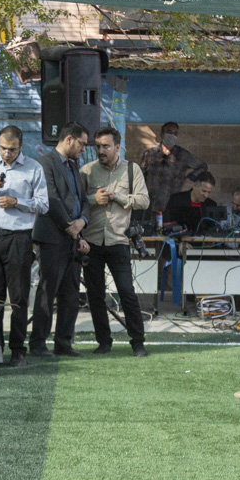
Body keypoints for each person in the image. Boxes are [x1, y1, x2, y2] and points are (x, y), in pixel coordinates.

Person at [0, 125, 48, 366]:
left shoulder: (33, 168)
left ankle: (17, 350)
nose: (7, 153)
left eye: (12, 149)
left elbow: (43, 204)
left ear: (20, 147)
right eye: (3, 148)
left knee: (18, 297)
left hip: (18, 238)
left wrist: (18, 202)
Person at [81, 126, 150, 357]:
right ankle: (104, 342)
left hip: (119, 240)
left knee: (127, 292)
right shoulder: (87, 171)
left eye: (106, 146)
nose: (101, 150)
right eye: (98, 146)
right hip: (92, 242)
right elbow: (76, 202)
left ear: (117, 147)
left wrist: (118, 196)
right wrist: (94, 198)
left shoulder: (132, 169)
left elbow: (144, 201)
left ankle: (138, 342)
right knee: (95, 295)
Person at [30, 123, 90, 358]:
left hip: (73, 238)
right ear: (69, 139)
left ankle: (63, 343)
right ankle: (38, 344)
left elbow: (83, 200)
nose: (83, 149)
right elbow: (51, 200)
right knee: (48, 292)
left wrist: (82, 222)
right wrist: (72, 229)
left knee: (71, 294)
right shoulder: (45, 164)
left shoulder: (74, 167)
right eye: (82, 144)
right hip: (52, 239)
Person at [140, 122, 207, 218]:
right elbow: (140, 175)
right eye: (169, 132)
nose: (172, 135)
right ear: (162, 134)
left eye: (175, 133)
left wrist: (189, 178)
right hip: (151, 206)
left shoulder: (183, 155)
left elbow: (203, 166)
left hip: (172, 205)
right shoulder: (149, 154)